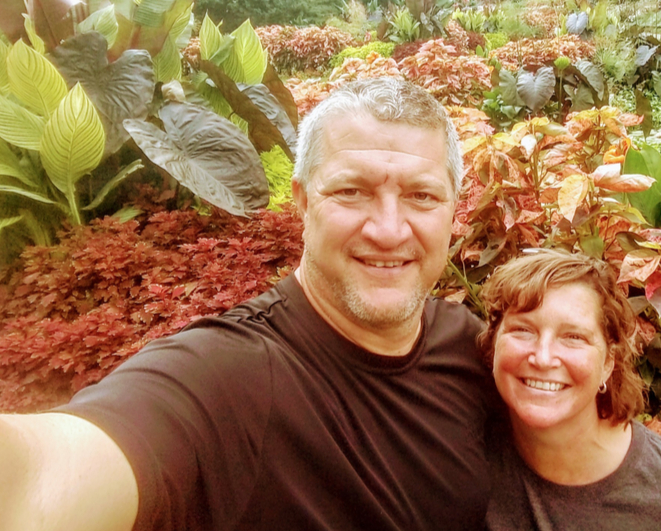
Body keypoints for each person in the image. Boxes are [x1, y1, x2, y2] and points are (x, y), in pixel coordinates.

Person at [0, 78, 491, 531]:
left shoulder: (471, 344)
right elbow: (50, 472)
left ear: (453, 208)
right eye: (351, 191)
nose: (388, 229)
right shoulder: (226, 376)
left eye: (422, 196)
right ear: (301, 201)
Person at [477, 250, 661, 531]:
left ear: (609, 361)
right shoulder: (464, 452)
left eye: (573, 337)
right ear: (493, 342)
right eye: (523, 330)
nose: (543, 357)